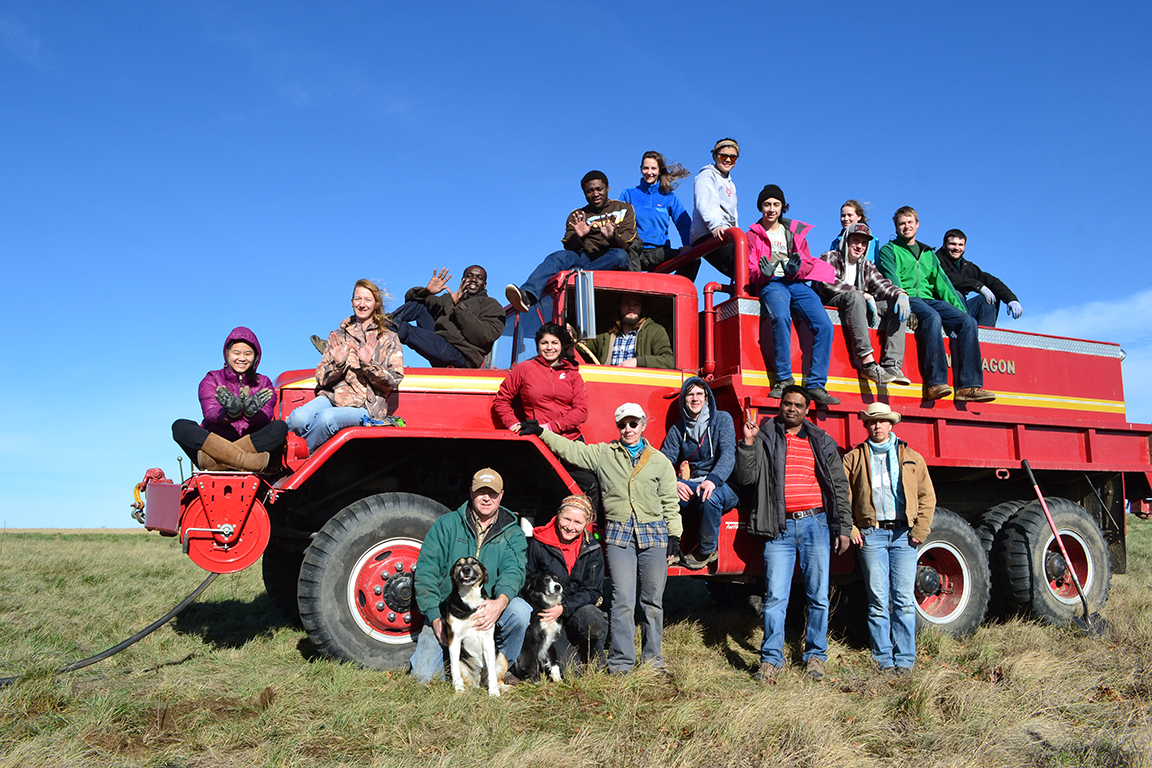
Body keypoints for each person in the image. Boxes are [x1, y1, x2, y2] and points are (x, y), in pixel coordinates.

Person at [537, 403, 681, 675]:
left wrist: (675, 534)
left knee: (652, 601)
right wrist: (542, 434)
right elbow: (572, 450)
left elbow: (670, 502)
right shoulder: (605, 454)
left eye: (633, 423)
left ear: (642, 425)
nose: (628, 429)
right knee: (622, 599)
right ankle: (621, 662)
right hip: (619, 537)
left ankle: (653, 661)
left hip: (654, 535)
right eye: (623, 425)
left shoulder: (660, 461)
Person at [734, 385, 851, 684]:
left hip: (816, 525)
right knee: (775, 597)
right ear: (780, 405)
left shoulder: (820, 440)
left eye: (798, 405)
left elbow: (838, 487)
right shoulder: (765, 436)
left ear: (806, 409)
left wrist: (844, 528)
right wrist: (747, 443)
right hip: (780, 527)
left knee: (818, 596)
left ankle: (815, 656)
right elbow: (747, 478)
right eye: (787, 404)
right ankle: (771, 659)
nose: (792, 409)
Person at [409, 468, 530, 683]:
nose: (486, 498)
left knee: (520, 611)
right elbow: (426, 571)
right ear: (471, 492)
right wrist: (435, 616)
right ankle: (457, 668)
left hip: (487, 610)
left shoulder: (513, 532)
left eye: (492, 493)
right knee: (423, 678)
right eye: (480, 492)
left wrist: (499, 603)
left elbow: (514, 571)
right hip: (450, 613)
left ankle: (500, 669)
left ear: (501, 495)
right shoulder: (446, 525)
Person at [845, 403, 935, 674]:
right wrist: (850, 527)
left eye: (882, 421)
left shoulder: (911, 457)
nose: (877, 426)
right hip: (871, 534)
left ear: (891, 424)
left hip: (903, 537)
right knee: (878, 600)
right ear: (866, 425)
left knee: (904, 600)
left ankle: (905, 660)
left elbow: (926, 497)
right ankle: (883, 659)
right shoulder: (854, 458)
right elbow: (842, 496)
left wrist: (920, 530)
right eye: (872, 422)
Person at [876, 207, 995, 402]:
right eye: (902, 224)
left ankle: (968, 387)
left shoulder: (928, 253)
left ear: (917, 224)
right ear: (896, 227)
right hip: (906, 297)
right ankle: (935, 382)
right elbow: (891, 277)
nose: (906, 227)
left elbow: (943, 285)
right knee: (932, 317)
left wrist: (961, 311)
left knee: (968, 322)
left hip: (928, 298)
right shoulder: (889, 250)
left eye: (910, 222)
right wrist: (901, 296)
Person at [287, 279, 405, 453]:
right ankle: (293, 453)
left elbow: (394, 380)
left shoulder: (388, 338)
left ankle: (301, 458)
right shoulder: (338, 335)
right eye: (358, 299)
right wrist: (337, 364)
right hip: (333, 398)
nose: (362, 304)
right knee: (297, 418)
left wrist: (368, 365)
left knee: (326, 419)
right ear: (351, 302)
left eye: (367, 300)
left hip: (365, 406)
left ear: (376, 304)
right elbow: (321, 378)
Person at [746, 184, 839, 405]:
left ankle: (816, 384)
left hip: (795, 283)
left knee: (825, 325)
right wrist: (762, 273)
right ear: (760, 207)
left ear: (782, 207)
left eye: (775, 204)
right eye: (767, 204)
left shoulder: (794, 234)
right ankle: (784, 380)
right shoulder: (752, 235)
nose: (771, 209)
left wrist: (796, 270)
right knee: (781, 317)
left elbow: (807, 263)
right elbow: (750, 268)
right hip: (772, 283)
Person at [493, 323, 600, 512]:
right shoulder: (524, 369)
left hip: (571, 442)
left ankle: (589, 534)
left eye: (554, 342)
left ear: (561, 345)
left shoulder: (572, 374)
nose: (549, 347)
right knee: (548, 493)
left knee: (591, 484)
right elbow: (502, 400)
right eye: (544, 342)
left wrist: (550, 427)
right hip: (539, 444)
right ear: (537, 345)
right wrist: (513, 425)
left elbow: (581, 411)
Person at [506, 171, 638, 313]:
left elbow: (627, 243)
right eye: (590, 191)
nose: (595, 194)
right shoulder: (577, 215)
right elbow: (569, 246)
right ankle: (528, 295)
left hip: (611, 257)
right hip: (585, 258)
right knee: (559, 257)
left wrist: (611, 237)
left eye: (599, 189)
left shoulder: (623, 208)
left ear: (607, 188)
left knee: (620, 255)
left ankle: (575, 278)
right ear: (585, 193)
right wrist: (578, 236)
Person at [171, 326, 288, 472]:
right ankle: (246, 462)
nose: (242, 358)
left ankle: (218, 464)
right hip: (220, 441)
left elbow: (267, 413)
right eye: (236, 353)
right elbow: (210, 412)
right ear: (227, 354)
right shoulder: (212, 379)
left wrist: (251, 414)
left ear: (256, 357)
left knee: (280, 427)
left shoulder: (263, 382)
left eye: (248, 354)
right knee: (180, 426)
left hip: (243, 446)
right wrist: (230, 414)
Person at [813, 222, 913, 385]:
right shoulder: (830, 257)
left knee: (894, 306)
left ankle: (891, 364)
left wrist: (901, 294)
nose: (859, 246)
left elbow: (882, 285)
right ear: (846, 240)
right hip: (832, 303)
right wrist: (863, 294)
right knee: (855, 296)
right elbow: (824, 281)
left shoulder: (867, 266)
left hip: (858, 307)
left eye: (864, 243)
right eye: (855, 241)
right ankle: (868, 362)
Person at [660, 377, 739, 570]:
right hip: (693, 484)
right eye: (690, 394)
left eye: (699, 394)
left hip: (724, 484)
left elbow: (729, 454)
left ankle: (707, 551)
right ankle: (669, 550)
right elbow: (662, 462)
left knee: (710, 497)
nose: (695, 399)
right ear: (684, 400)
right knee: (662, 496)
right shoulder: (678, 430)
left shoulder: (722, 419)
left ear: (707, 397)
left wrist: (713, 480)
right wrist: (675, 483)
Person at [522, 494, 607, 672]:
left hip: (576, 609)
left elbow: (593, 590)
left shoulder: (592, 548)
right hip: (546, 615)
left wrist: (564, 607)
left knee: (593, 618)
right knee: (571, 671)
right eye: (566, 519)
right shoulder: (539, 544)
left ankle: (595, 659)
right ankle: (567, 658)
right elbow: (527, 581)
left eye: (577, 522)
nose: (570, 527)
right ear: (558, 515)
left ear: (586, 524)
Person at [389, 265, 505, 368]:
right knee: (420, 305)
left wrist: (459, 307)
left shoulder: (492, 306)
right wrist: (426, 291)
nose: (473, 280)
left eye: (479, 278)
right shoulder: (447, 299)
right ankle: (385, 322)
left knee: (403, 328)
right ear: (463, 280)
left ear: (484, 285)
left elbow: (483, 337)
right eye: (469, 276)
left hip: (461, 355)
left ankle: (391, 328)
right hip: (439, 343)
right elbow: (412, 300)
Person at [619, 151, 692, 272]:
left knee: (693, 259)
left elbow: (684, 223)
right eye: (646, 168)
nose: (649, 172)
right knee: (634, 282)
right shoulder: (628, 194)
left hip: (660, 252)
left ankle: (674, 290)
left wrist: (687, 245)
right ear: (641, 169)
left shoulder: (669, 197)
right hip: (636, 251)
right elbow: (619, 222)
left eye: (653, 168)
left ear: (659, 171)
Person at [937, 229, 1023, 328]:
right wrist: (979, 287)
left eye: (960, 245)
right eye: (953, 244)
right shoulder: (935, 261)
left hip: (964, 312)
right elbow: (950, 278)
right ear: (944, 245)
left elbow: (990, 280)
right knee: (956, 293)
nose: (957, 248)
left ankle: (984, 336)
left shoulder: (966, 266)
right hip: (943, 312)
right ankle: (966, 331)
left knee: (990, 298)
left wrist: (1011, 299)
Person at [684, 138, 740, 281]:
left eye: (732, 157)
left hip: (726, 233)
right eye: (723, 156)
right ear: (715, 156)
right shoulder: (707, 175)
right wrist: (715, 226)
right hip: (709, 233)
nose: (728, 159)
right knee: (743, 266)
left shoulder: (731, 184)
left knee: (747, 266)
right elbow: (705, 202)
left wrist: (738, 235)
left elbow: (733, 214)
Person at [582, 293, 674, 369]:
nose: (631, 308)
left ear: (642, 309)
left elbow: (668, 361)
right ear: (619, 307)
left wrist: (637, 362)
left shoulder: (655, 331)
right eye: (626, 303)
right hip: (607, 385)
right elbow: (582, 347)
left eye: (636, 304)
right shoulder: (606, 334)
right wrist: (570, 331)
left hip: (639, 387)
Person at [829, 199, 880, 264]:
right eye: (843, 216)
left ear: (859, 217)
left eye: (850, 215)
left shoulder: (870, 239)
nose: (846, 219)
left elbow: (869, 262)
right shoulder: (836, 242)